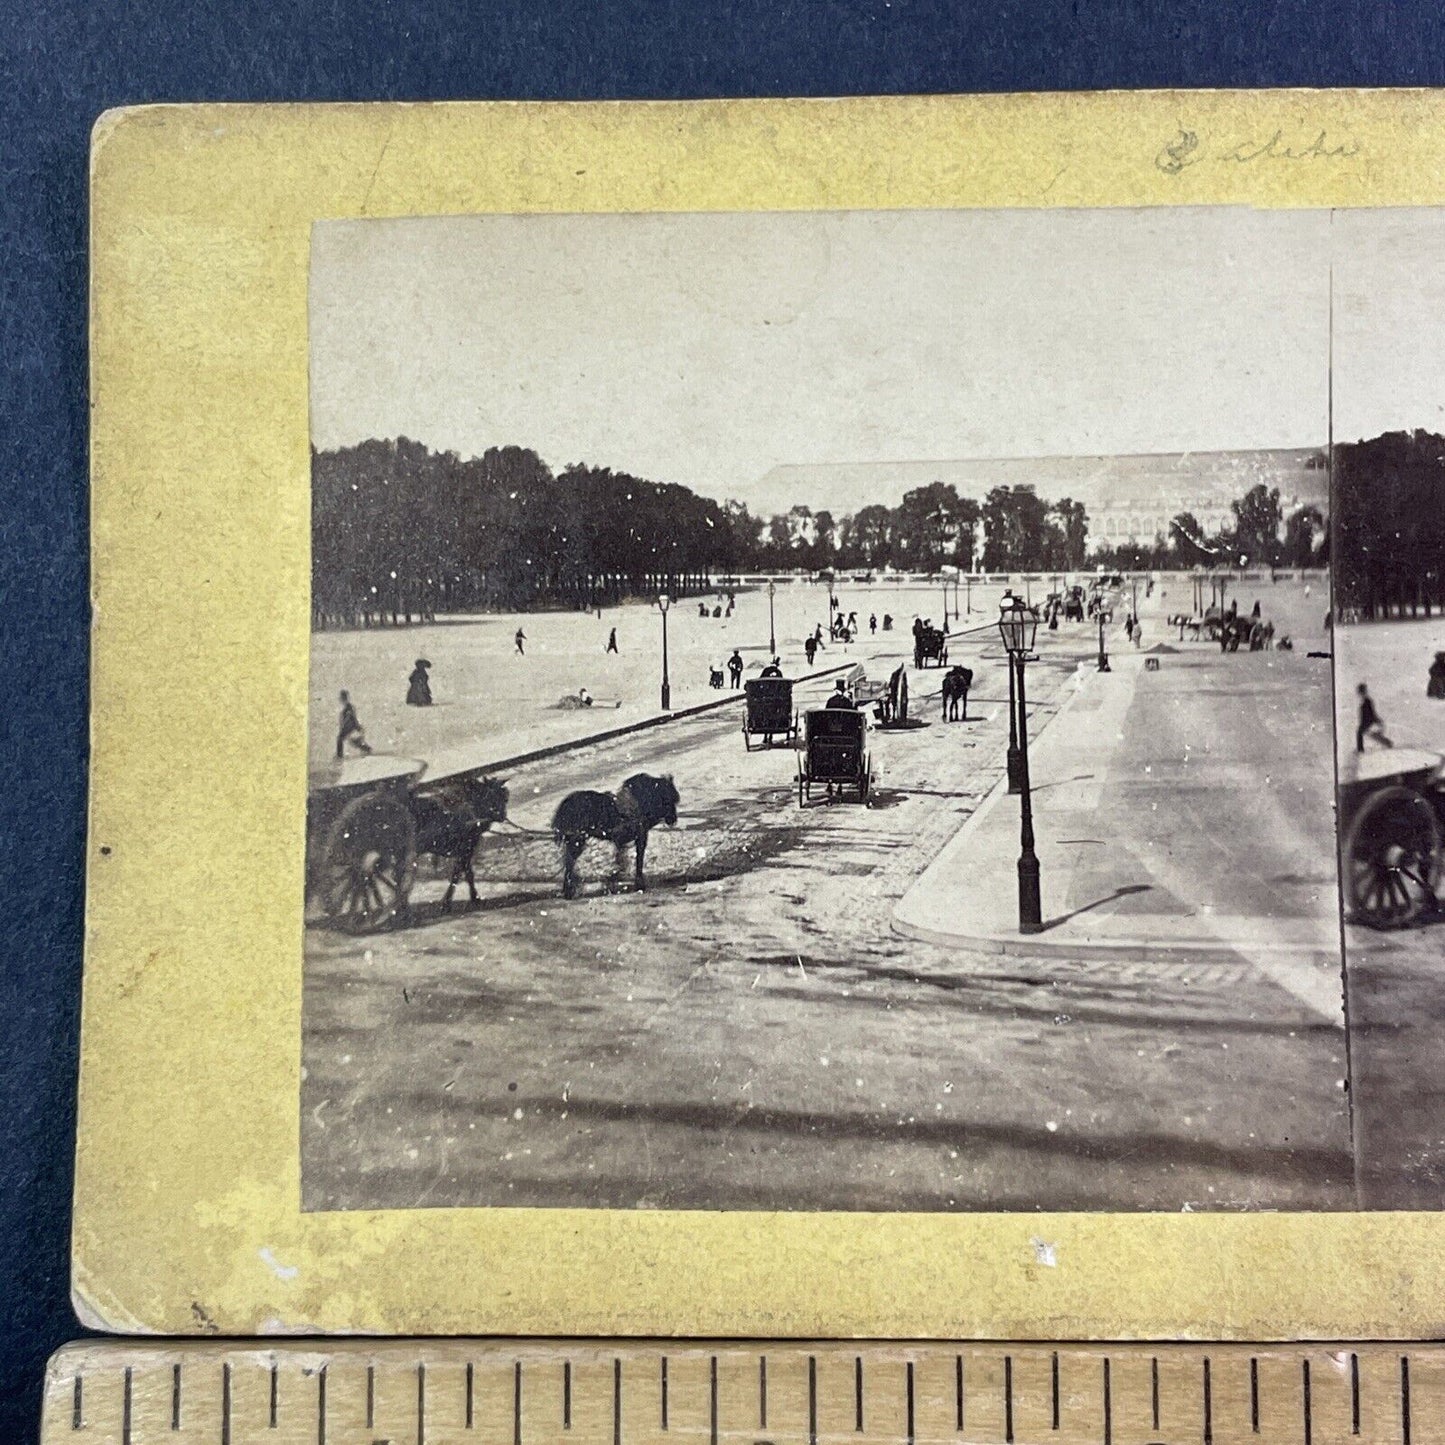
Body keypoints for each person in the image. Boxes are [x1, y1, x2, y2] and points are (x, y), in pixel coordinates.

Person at [1356, 684, 1393, 752]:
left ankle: (1360, 750)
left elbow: (1371, 712)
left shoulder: (1367, 700)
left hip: (1368, 720)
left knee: (1360, 733)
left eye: (1360, 691)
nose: (1359, 693)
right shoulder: (1365, 700)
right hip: (1368, 721)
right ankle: (1388, 743)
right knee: (1372, 735)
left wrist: (1376, 720)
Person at [335, 690, 371, 759]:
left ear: (344, 698)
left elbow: (352, 717)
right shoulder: (348, 707)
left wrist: (357, 727)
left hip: (349, 727)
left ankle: (339, 756)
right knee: (352, 741)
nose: (341, 700)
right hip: (349, 727)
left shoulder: (349, 708)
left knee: (340, 739)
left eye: (342, 698)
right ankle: (367, 749)